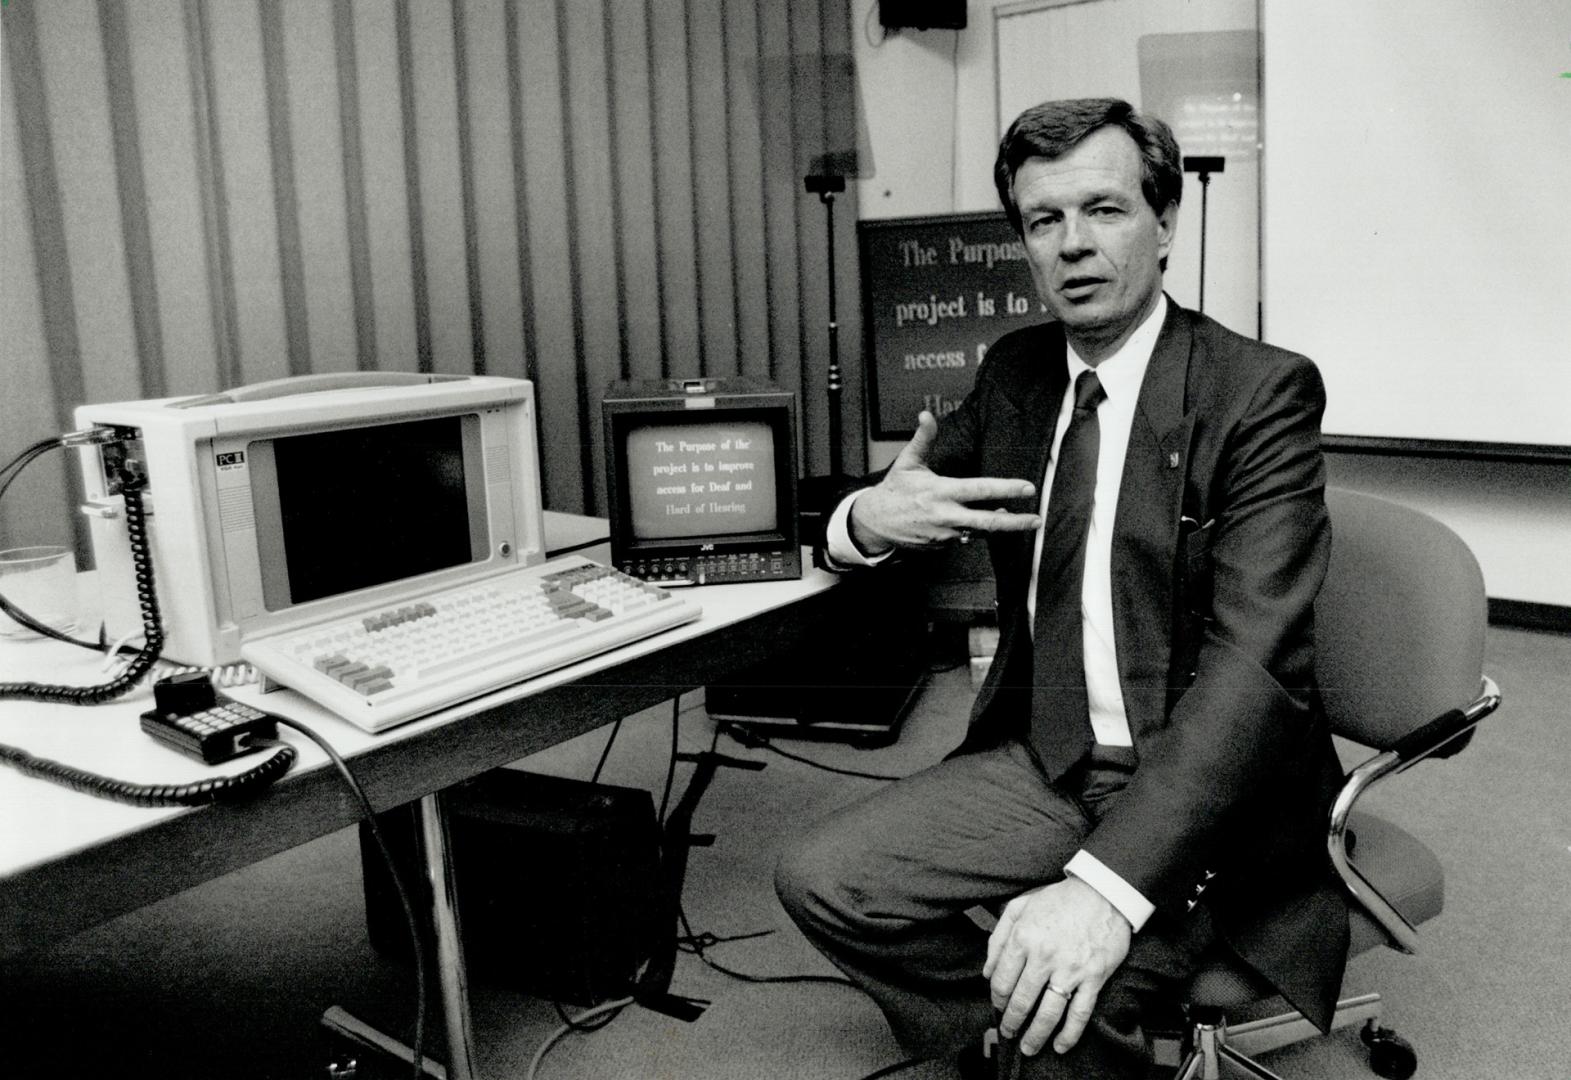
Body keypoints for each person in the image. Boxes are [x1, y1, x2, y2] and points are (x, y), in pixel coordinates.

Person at [774, 98, 1349, 1079]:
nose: (1072, 245)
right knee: (821, 879)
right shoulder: (1015, 373)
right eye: (1044, 221)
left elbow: (1252, 675)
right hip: (1046, 757)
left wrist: (1103, 889)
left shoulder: (1257, 391)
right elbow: (910, 496)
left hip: (1203, 783)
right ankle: (1011, 1039)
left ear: (1163, 223)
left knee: (1070, 1004)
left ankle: (1043, 1045)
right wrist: (862, 523)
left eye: (1103, 210)